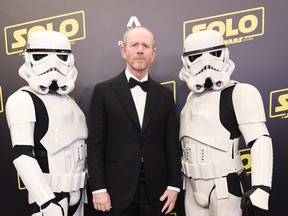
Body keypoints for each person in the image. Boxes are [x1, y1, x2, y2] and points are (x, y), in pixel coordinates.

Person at [87, 26, 182, 216]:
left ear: (153, 54)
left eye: (146, 46)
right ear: (124, 50)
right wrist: (98, 188)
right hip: (115, 192)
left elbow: (171, 144)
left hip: (157, 192)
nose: (140, 50)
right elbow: (96, 145)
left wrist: (174, 185)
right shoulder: (103, 91)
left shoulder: (164, 95)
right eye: (134, 45)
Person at [179, 29, 273, 216]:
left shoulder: (240, 92)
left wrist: (261, 187)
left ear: (225, 54)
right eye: (196, 56)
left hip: (224, 184)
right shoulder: (190, 98)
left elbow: (260, 139)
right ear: (186, 61)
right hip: (191, 186)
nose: (206, 63)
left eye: (214, 54)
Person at [5, 30, 88, 216]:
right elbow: (22, 155)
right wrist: (47, 202)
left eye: (61, 56)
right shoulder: (22, 99)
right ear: (29, 58)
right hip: (51, 195)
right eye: (42, 56)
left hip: (78, 193)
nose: (53, 64)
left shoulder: (69, 100)